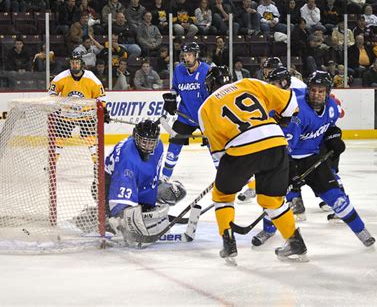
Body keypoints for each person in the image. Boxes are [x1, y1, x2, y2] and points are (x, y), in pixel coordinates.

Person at [251, 70, 375, 249]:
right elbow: (284, 149)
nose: (316, 94)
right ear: (308, 90)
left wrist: (334, 137)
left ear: (327, 92)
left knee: (337, 198)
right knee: (274, 199)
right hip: (286, 160)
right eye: (313, 90)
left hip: (313, 158)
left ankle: (361, 231)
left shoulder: (332, 107)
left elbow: (329, 127)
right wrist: (291, 174)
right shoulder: (297, 112)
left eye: (321, 91)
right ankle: (269, 230)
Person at [198, 65, 307, 262]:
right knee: (272, 200)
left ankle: (228, 243)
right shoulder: (249, 83)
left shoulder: (205, 108)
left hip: (241, 150)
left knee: (222, 195)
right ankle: (295, 242)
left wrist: (236, 172)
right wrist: (281, 121)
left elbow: (219, 154)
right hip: (276, 142)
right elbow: (291, 104)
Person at [99, 120, 186, 245]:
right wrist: (120, 219)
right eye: (144, 141)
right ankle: (106, 216)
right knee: (123, 216)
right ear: (136, 138)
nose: (148, 146)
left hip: (137, 181)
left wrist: (148, 203)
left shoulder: (159, 146)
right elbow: (120, 187)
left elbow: (153, 174)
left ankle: (142, 206)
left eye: (151, 142)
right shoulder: (128, 159)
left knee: (176, 192)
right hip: (108, 185)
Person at [237, 57, 307, 203]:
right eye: (265, 71)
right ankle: (258, 187)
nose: (266, 74)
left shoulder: (295, 84)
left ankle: (296, 199)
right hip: (283, 125)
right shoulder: (270, 83)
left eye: (268, 70)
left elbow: (303, 106)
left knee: (289, 162)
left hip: (297, 126)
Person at [48, 51, 110, 164]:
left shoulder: (91, 78)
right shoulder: (61, 77)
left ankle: (96, 163)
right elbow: (52, 92)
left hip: (86, 115)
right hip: (67, 114)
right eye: (72, 63)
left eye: (77, 63)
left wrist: (103, 110)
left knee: (90, 139)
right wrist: (55, 106)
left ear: (81, 64)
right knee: (59, 138)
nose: (74, 65)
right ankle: (53, 163)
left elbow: (101, 96)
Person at [161, 42, 210, 181]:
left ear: (196, 55)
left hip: (205, 117)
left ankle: (222, 174)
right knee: (174, 145)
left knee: (214, 146)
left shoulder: (207, 70)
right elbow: (175, 88)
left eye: (189, 55)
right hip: (185, 115)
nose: (186, 58)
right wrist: (171, 97)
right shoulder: (178, 70)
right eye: (184, 55)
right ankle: (165, 176)